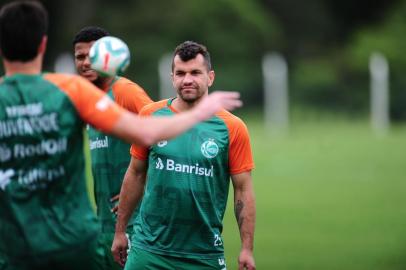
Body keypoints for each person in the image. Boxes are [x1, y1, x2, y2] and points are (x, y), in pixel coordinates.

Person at [0, 2, 242, 270]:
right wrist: (198, 113)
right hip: (72, 241)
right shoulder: (70, 91)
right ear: (43, 45)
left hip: (12, 243)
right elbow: (148, 131)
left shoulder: (107, 90)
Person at [112, 41, 256, 270]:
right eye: (180, 73)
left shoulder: (232, 127)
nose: (187, 79)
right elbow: (136, 172)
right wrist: (120, 232)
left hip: (204, 254)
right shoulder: (150, 115)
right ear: (172, 78)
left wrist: (246, 248)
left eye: (195, 73)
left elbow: (243, 189)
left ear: (210, 77)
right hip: (148, 251)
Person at [73, 26, 152, 270]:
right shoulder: (90, 99)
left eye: (92, 55)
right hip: (106, 223)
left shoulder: (124, 91)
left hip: (135, 224)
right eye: (79, 57)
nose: (86, 63)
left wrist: (146, 183)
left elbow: (162, 136)